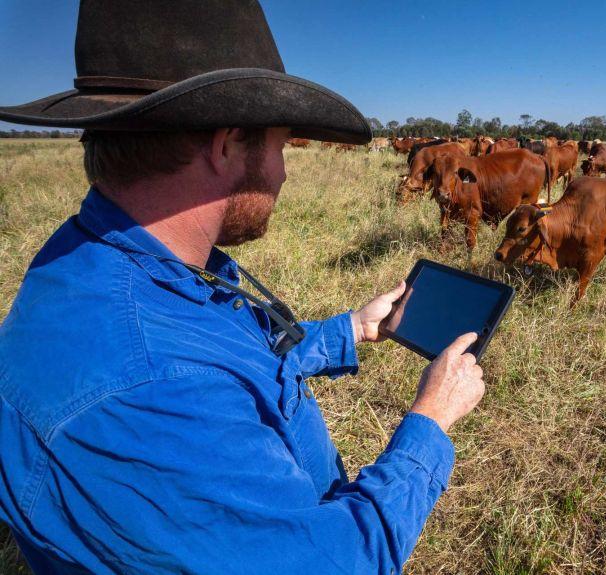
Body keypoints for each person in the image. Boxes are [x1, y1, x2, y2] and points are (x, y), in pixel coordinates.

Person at [0, 2, 485, 573]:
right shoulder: (151, 390)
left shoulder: (107, 259)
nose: (282, 171)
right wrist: (429, 422)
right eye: (279, 147)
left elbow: (229, 360)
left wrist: (350, 329)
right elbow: (339, 562)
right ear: (226, 144)